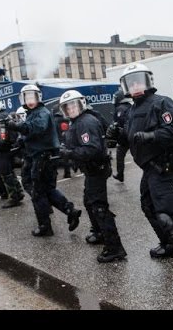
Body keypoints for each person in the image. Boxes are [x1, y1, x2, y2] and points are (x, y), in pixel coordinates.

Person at [116, 63, 173, 291]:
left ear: (148, 81)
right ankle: (169, 245)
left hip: (163, 166)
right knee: (148, 207)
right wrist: (117, 135)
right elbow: (130, 139)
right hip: (148, 168)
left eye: (139, 80)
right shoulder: (130, 110)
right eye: (131, 82)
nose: (135, 86)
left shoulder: (161, 103)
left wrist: (152, 135)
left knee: (167, 216)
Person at [59, 89, 126, 263]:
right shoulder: (78, 121)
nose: (71, 109)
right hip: (92, 169)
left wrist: (69, 153)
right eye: (67, 107)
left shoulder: (85, 122)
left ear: (80, 104)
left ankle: (114, 248)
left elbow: (91, 149)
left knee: (99, 207)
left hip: (96, 168)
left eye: (73, 105)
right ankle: (99, 233)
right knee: (90, 202)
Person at [6, 85, 81, 236]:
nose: (29, 100)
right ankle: (70, 210)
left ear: (38, 97)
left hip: (43, 157)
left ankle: (45, 227)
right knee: (47, 190)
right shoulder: (33, 113)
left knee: (38, 193)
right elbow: (33, 134)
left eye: (32, 97)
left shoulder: (42, 112)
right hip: (39, 157)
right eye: (26, 97)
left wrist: (16, 126)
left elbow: (36, 128)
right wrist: (22, 142)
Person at [0, 97, 24, 208]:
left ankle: (14, 196)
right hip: (7, 148)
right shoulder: (3, 115)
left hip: (3, 149)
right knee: (9, 172)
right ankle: (18, 192)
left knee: (5, 173)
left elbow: (2, 135)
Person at [110, 89, 132, 182]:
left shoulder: (120, 109)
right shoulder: (130, 106)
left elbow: (117, 124)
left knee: (120, 157)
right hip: (131, 136)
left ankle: (120, 174)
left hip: (123, 138)